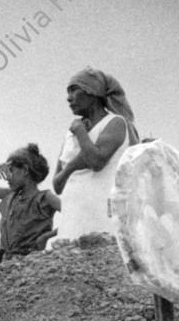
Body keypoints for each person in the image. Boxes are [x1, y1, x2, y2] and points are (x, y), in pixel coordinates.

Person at [51, 67, 138, 241]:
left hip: (101, 216)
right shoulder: (71, 133)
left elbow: (96, 162)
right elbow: (57, 185)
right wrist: (75, 165)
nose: (69, 98)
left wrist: (81, 133)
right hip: (73, 217)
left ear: (92, 92)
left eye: (74, 90)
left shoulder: (115, 123)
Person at [0, 143, 59, 261]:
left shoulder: (45, 197)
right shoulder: (10, 196)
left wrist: (46, 236)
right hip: (6, 264)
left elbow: (72, 214)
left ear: (25, 170)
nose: (7, 177)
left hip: (30, 262)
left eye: (11, 170)